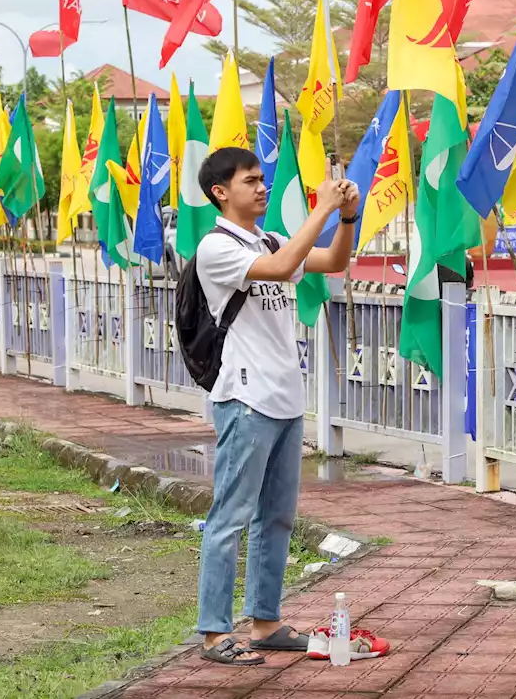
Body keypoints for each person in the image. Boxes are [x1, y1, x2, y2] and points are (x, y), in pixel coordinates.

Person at [192, 147, 360, 666]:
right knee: (230, 517)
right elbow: (286, 267)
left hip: (285, 398)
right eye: (251, 181)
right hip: (246, 398)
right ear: (221, 192)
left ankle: (264, 622)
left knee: (277, 519)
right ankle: (216, 634)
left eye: (263, 179)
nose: (262, 188)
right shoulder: (216, 248)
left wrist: (348, 217)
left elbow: (331, 261)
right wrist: (324, 207)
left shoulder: (268, 238)